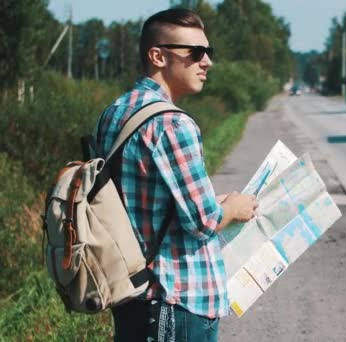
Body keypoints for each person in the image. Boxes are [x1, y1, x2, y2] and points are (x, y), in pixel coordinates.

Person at [94, 8, 257, 342]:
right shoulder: (172, 123)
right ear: (157, 56)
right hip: (176, 301)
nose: (206, 62)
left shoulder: (115, 112)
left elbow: (149, 203)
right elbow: (202, 222)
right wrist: (235, 208)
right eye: (194, 53)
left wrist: (216, 202)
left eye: (208, 52)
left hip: (133, 293)